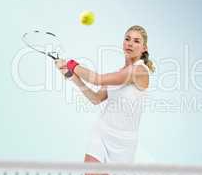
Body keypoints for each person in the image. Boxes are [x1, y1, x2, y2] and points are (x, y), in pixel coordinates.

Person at [55, 25, 155, 165]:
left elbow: (97, 79)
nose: (130, 43)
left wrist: (71, 64)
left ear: (144, 48)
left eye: (136, 41)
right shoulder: (118, 72)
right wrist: (71, 77)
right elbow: (96, 99)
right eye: (127, 39)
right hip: (102, 132)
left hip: (124, 143)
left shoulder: (139, 70)